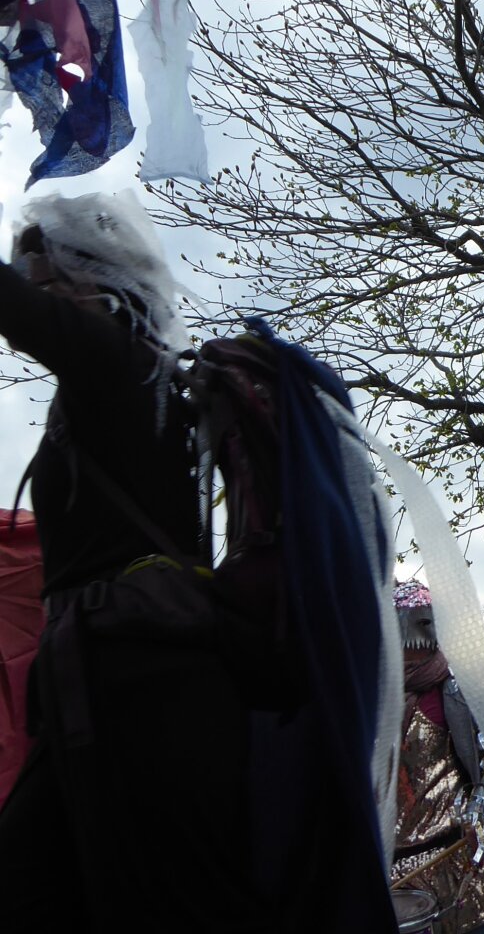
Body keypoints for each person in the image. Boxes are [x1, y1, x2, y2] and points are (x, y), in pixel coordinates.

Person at [0, 193, 376, 932]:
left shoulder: (118, 361)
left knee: (168, 908)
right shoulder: (119, 380)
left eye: (42, 278)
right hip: (104, 688)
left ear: (92, 280)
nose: (32, 292)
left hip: (150, 695)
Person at [392, 579, 484, 934]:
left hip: (459, 858)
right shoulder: (373, 700)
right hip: (397, 873)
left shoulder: (457, 693)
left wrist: (481, 810)